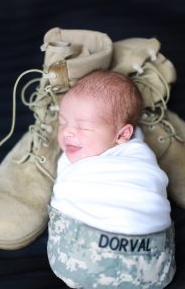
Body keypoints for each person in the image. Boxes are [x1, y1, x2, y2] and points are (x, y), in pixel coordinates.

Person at [47, 71, 175, 289]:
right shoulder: (138, 146)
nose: (68, 133)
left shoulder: (137, 159)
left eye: (83, 127)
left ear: (123, 135)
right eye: (62, 123)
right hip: (154, 266)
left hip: (79, 259)